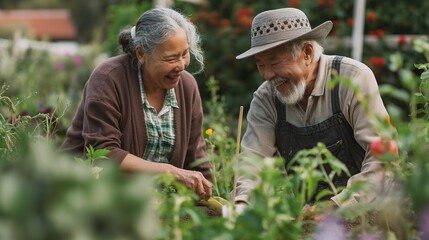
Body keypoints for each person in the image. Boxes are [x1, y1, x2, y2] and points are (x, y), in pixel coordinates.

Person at [234, 8, 393, 207]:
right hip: (311, 218)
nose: (267, 75)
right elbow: (253, 160)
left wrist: (337, 205)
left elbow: (383, 156)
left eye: (274, 62)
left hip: (374, 211)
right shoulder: (266, 98)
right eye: (260, 65)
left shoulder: (352, 79)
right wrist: (243, 203)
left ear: (307, 53)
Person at [61, 7, 212, 200]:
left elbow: (196, 156)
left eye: (184, 54)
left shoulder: (187, 86)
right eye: (171, 58)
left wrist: (212, 197)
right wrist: (168, 171)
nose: (181, 65)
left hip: (151, 204)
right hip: (87, 195)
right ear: (141, 54)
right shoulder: (109, 79)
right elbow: (103, 154)